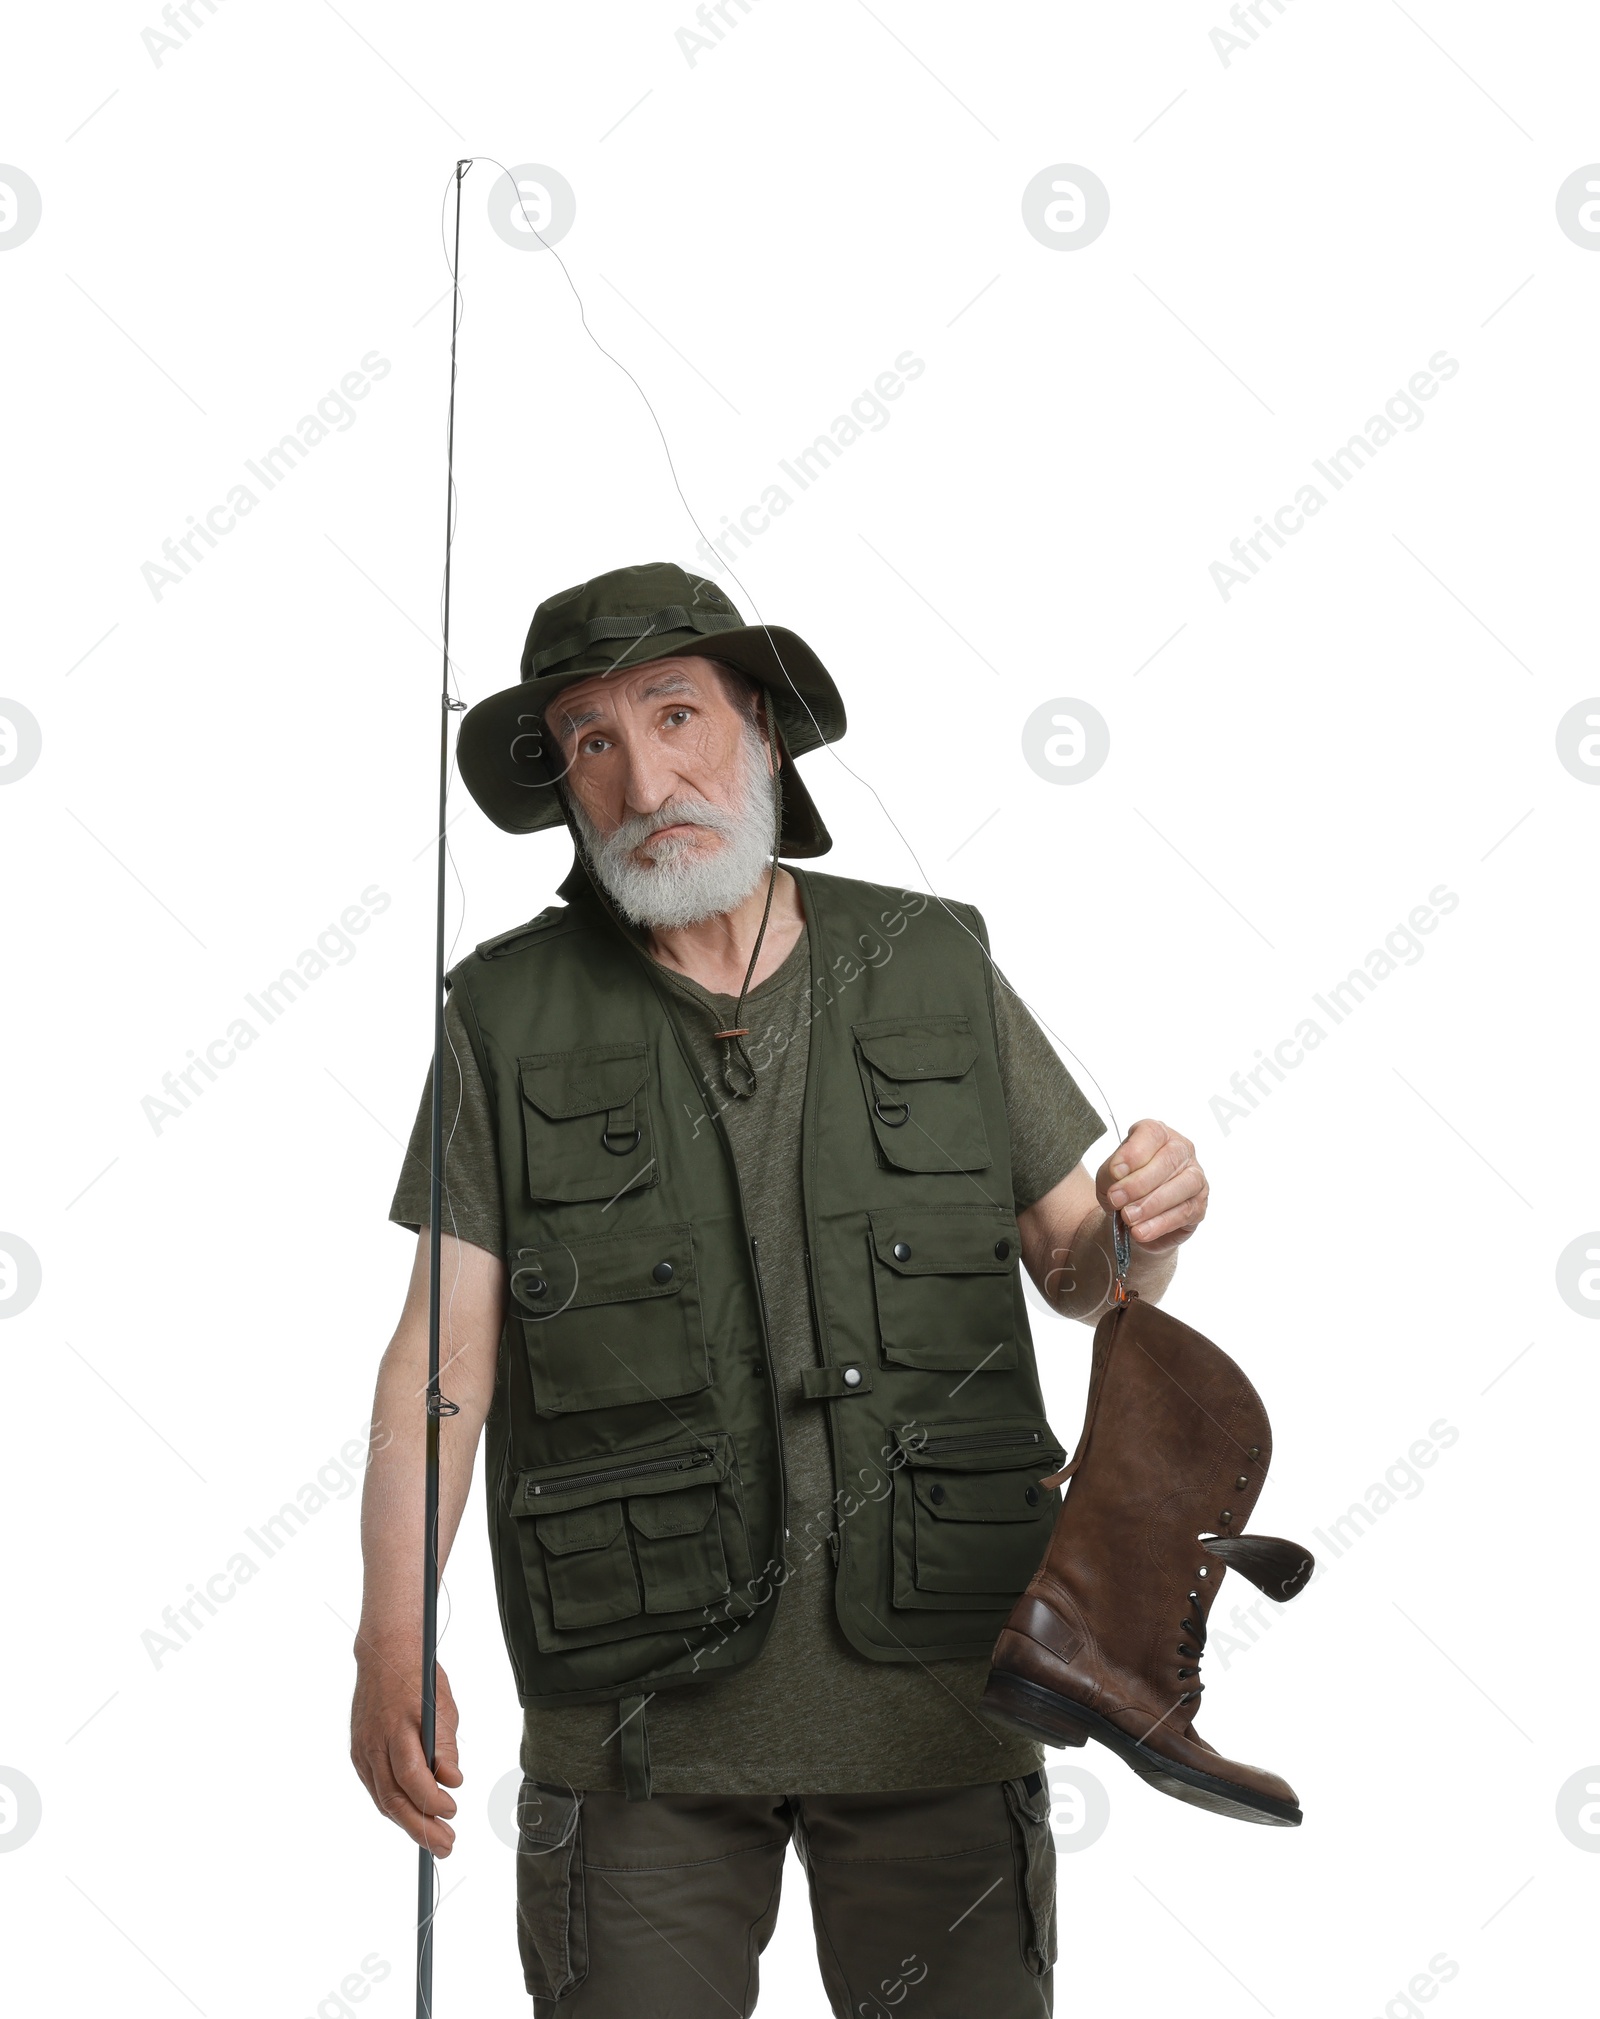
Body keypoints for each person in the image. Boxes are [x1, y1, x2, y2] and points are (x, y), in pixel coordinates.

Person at [350, 561, 1210, 2016]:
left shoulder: (931, 961)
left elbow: (1079, 1269)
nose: (644, 776)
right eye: (592, 741)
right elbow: (442, 1360)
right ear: (564, 784)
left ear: (759, 730)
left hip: (941, 1704)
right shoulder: (503, 1014)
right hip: (638, 1739)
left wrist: (1151, 1222)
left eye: (678, 714)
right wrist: (390, 1634)